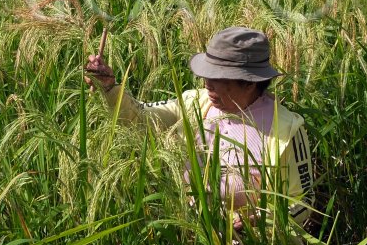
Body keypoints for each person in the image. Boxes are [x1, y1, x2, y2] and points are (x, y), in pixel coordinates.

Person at [85, 26, 316, 230]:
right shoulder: (196, 104)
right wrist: (110, 89)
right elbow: (141, 118)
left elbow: (303, 203)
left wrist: (259, 220)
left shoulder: (285, 131)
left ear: (248, 82)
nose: (207, 83)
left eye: (218, 77)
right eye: (206, 74)